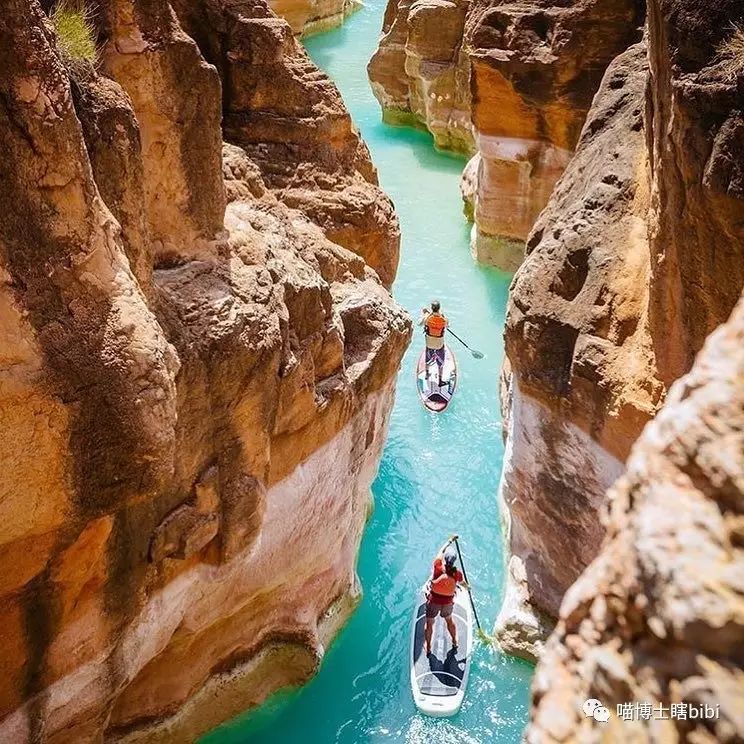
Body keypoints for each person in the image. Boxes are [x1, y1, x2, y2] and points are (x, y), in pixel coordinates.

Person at [424, 537, 467, 655]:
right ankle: (455, 641)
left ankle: (428, 648)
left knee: (429, 624)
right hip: (447, 603)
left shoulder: (437, 566)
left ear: (445, 560)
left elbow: (440, 552)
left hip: (433, 601)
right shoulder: (457, 574)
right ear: (454, 561)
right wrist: (468, 587)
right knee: (449, 620)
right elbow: (462, 583)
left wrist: (449, 541)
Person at [418, 300, 448, 387]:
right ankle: (440, 381)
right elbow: (448, 325)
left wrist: (424, 314)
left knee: (428, 360)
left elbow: (419, 324)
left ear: (431, 308)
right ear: (439, 308)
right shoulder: (443, 319)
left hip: (429, 344)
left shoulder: (427, 318)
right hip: (439, 345)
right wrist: (441, 315)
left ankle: (427, 375)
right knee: (440, 364)